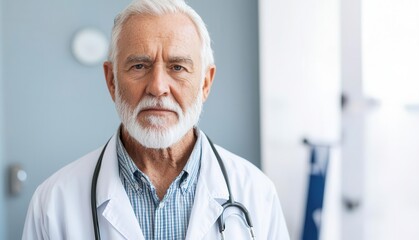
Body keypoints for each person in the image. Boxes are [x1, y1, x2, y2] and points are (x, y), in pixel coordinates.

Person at [22, 0, 290, 239]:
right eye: (139, 66)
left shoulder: (256, 192)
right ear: (112, 80)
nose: (158, 86)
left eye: (177, 67)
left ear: (205, 83)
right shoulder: (53, 202)